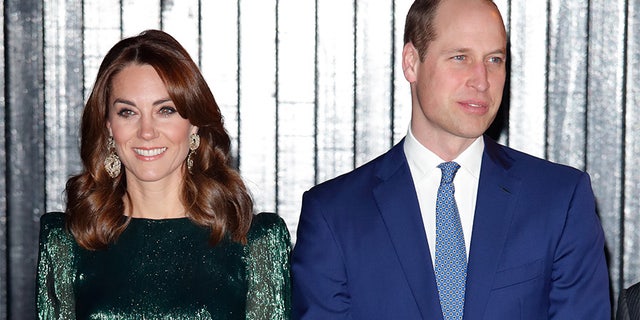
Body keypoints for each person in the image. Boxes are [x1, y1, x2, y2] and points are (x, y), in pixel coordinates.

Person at [291, 0, 610, 319]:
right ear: (411, 62)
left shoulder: (559, 199)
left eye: (494, 59)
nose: (482, 80)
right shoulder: (335, 214)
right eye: (460, 58)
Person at [36, 29, 291, 319]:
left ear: (193, 123)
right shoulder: (66, 243)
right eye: (128, 112)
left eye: (165, 110)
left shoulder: (255, 244)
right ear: (108, 126)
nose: (147, 132)